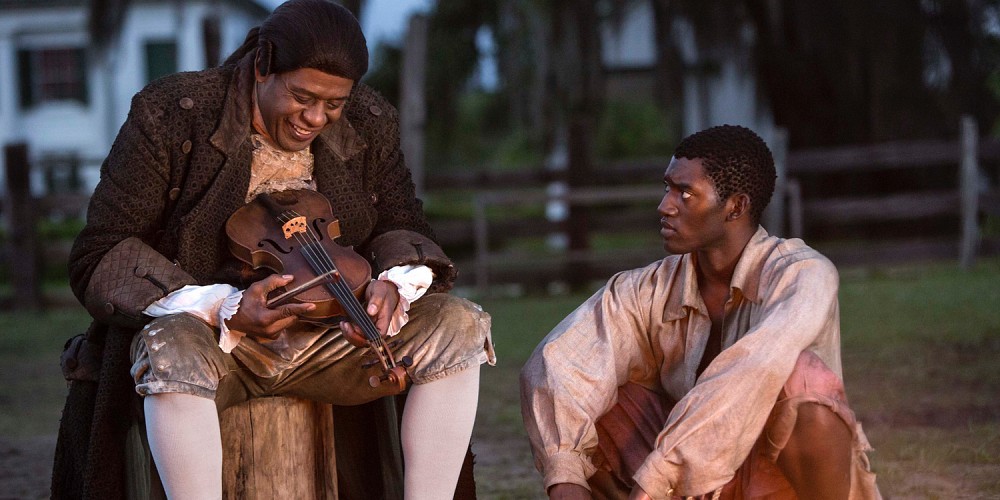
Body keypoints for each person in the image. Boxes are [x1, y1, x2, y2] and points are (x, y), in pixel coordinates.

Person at [51, 1, 494, 498]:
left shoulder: (370, 121)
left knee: (458, 324)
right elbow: (103, 250)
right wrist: (226, 307)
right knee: (170, 347)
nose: (315, 118)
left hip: (339, 343)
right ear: (263, 65)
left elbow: (401, 223)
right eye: (302, 96)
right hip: (218, 344)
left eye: (333, 104)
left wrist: (396, 281)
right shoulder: (173, 112)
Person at [520, 125, 881, 499]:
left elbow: (757, 364)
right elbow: (559, 364)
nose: (665, 206)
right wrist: (566, 480)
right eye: (667, 188)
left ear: (735, 206)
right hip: (690, 486)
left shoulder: (803, 275)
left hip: (771, 485)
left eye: (686, 193)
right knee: (598, 395)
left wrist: (657, 478)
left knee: (804, 384)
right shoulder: (644, 290)